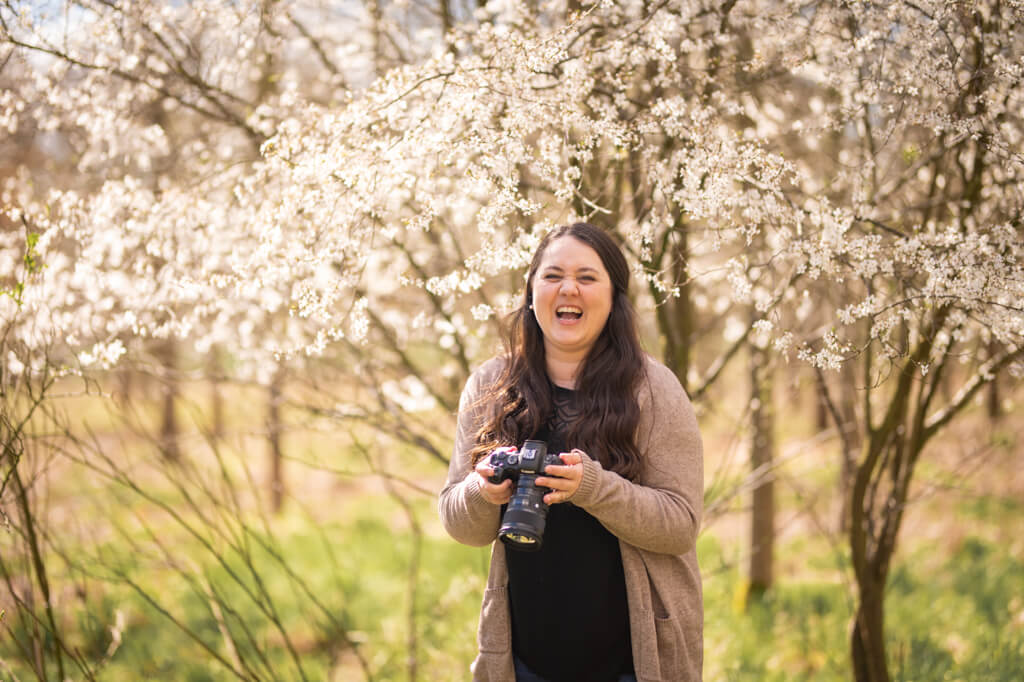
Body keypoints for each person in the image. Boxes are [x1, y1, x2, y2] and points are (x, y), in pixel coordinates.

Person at [438, 222, 704, 682]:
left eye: (586, 277)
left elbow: (681, 525)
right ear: (531, 290)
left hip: (634, 664)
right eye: (553, 275)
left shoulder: (653, 390)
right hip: (523, 663)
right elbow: (459, 523)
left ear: (614, 296)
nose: (568, 289)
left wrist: (594, 488)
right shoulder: (492, 385)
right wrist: (483, 491)